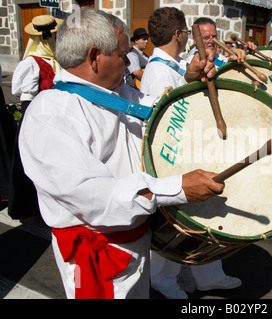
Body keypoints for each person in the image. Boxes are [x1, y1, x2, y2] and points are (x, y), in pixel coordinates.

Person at [18, 7, 222, 299]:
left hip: (136, 242)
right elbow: (97, 195)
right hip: (100, 255)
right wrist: (178, 188)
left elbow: (158, 111)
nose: (128, 63)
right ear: (94, 57)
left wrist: (189, 79)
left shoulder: (119, 92)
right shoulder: (49, 114)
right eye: (122, 54)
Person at [140, 7, 242, 299]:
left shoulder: (173, 64)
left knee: (203, 216)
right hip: (171, 157)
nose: (187, 38)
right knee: (173, 221)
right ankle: (162, 278)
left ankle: (209, 275)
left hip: (190, 149)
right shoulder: (158, 70)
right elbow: (166, 120)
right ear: (178, 34)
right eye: (186, 32)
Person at [9, 15, 63, 220]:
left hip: (50, 113)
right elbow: (19, 90)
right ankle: (28, 206)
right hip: (34, 112)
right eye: (53, 38)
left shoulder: (54, 62)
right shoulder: (32, 63)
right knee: (32, 161)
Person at [185, 17, 253, 68]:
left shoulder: (219, 57)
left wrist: (247, 53)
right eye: (206, 37)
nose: (212, 41)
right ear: (195, 40)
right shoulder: (191, 62)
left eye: (214, 37)